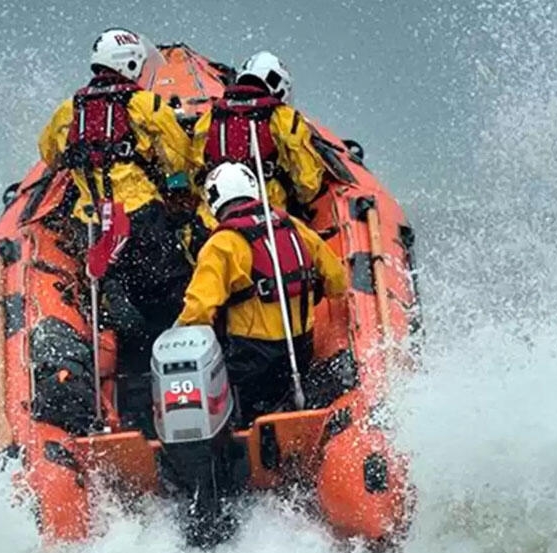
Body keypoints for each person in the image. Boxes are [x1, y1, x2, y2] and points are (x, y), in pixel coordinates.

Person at [37, 28, 195, 382]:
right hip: (139, 217)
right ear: (131, 63)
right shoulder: (145, 105)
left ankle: (124, 357)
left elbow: (49, 153)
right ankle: (170, 350)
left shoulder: (68, 111)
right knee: (170, 289)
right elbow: (179, 156)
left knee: (109, 289)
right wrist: (175, 186)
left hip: (91, 222)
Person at [176, 162, 347, 424]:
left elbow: (198, 310)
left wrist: (178, 335)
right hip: (300, 346)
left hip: (252, 358)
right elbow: (336, 279)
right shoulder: (293, 226)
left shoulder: (222, 244)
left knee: (241, 403)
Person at [191, 51, 326, 221]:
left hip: (212, 217)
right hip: (264, 215)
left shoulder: (212, 116)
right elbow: (308, 182)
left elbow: (195, 169)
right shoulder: (283, 118)